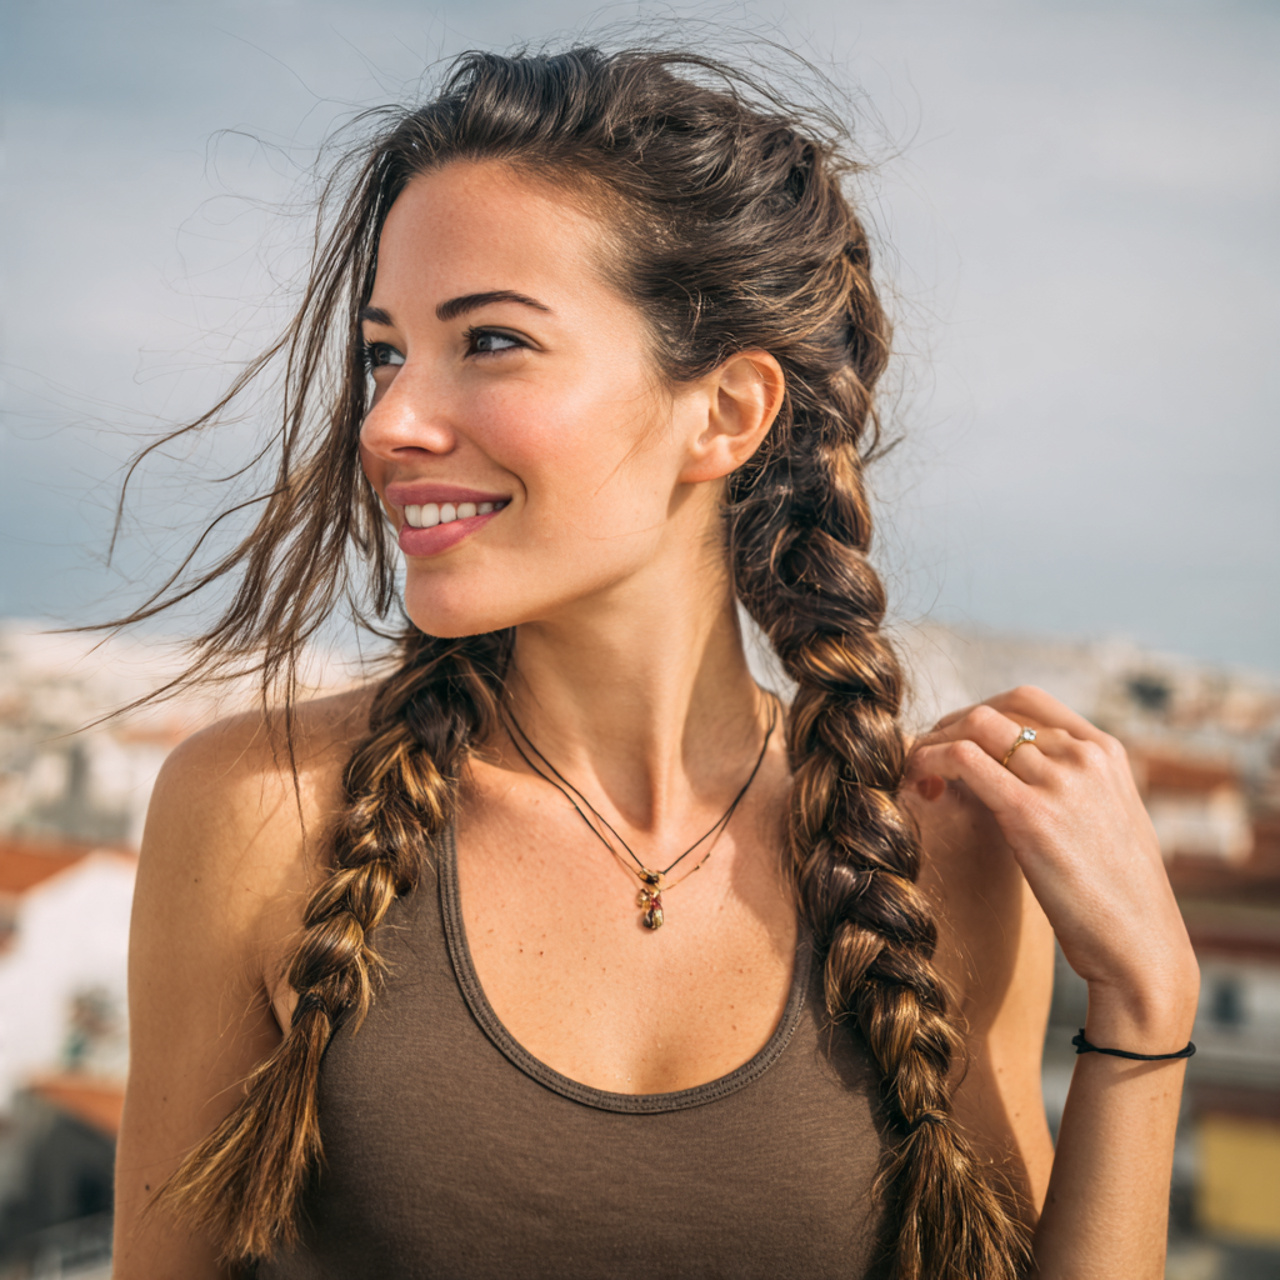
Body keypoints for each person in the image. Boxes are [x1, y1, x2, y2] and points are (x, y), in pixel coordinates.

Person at [110, 46, 1199, 1280]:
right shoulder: (262, 810)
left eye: (491, 342)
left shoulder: (935, 842)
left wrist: (1146, 1005)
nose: (388, 421)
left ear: (727, 411)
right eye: (383, 352)